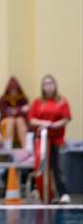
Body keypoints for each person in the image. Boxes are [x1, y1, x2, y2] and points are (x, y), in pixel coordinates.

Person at [28, 75, 71, 204]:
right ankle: (39, 190)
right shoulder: (38, 102)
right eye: (46, 84)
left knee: (57, 167)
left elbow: (66, 118)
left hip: (56, 139)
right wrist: (43, 122)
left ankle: (63, 193)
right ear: (42, 87)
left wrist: (53, 125)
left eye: (51, 83)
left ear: (55, 85)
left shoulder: (62, 101)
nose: (49, 86)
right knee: (40, 164)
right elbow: (31, 119)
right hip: (41, 139)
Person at [0, 77, 29, 149]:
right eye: (11, 90)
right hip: (7, 122)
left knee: (19, 120)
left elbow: (26, 113)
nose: (13, 92)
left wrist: (14, 111)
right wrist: (20, 110)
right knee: (11, 120)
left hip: (20, 123)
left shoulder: (23, 99)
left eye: (15, 90)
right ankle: (8, 148)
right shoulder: (2, 99)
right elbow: (4, 114)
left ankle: (25, 148)